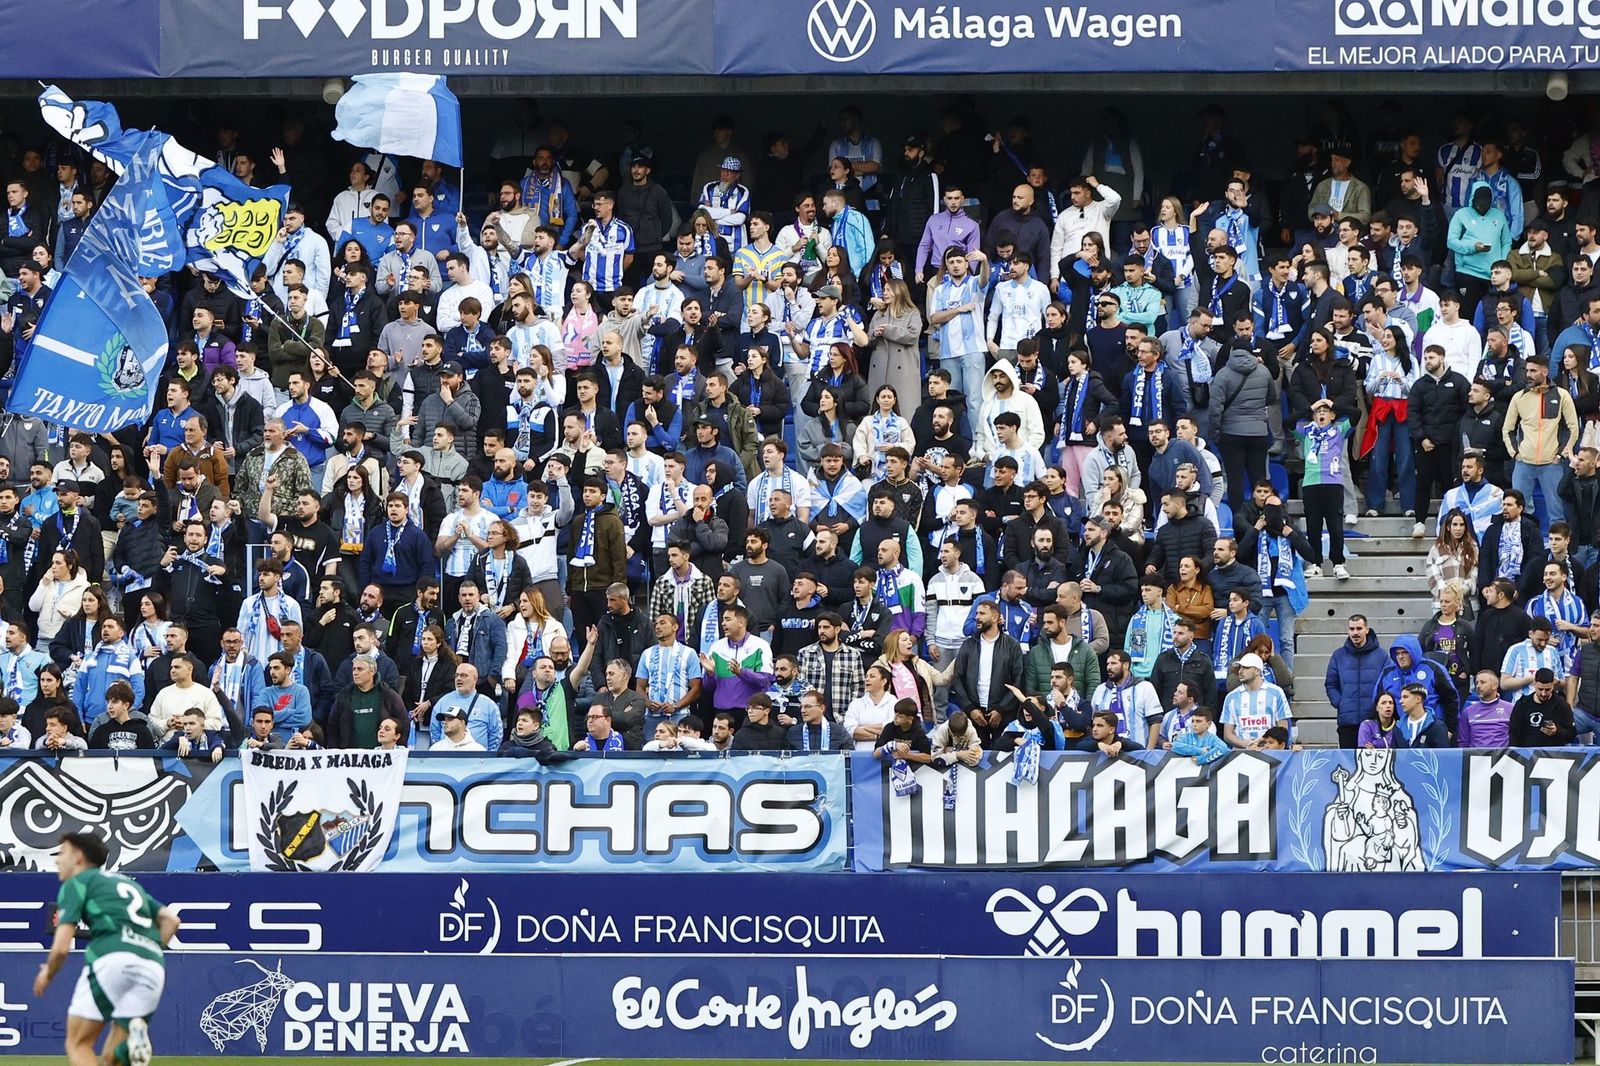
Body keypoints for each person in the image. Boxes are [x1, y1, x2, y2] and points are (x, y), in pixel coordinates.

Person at [36, 832, 179, 1066]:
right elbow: (172, 920)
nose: (57, 860)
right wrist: (146, 950)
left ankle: (129, 1044)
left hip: (111, 958)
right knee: (112, 1059)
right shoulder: (125, 883)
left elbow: (61, 948)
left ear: (78, 857)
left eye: (62, 853)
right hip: (153, 965)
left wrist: (47, 973)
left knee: (78, 1044)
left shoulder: (78, 882)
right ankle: (130, 1045)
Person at [1220, 652, 1293, 748]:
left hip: (1269, 754)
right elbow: (1228, 734)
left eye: (1246, 667)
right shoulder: (1231, 697)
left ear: (1257, 671)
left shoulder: (1276, 693)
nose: (1240, 671)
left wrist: (1265, 744)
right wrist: (1246, 744)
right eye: (1240, 667)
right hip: (1241, 754)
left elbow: (1283, 729)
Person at [1510, 667, 1576, 746]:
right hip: (1527, 753)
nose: (1543, 694)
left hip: (1552, 753)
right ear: (1534, 683)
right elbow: (1514, 733)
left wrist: (1557, 731)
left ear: (1553, 684)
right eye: (1540, 689)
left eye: (1547, 690)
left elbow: (1572, 734)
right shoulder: (1522, 704)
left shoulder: (1562, 705)